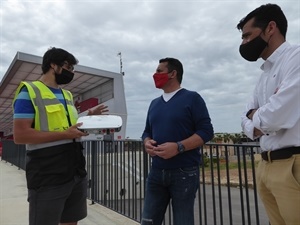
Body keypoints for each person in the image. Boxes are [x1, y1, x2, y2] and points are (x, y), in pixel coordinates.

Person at [12, 47, 108, 225]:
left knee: (71, 221)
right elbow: (20, 135)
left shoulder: (67, 95)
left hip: (75, 171)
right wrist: (65, 134)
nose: (71, 72)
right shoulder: (29, 91)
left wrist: (88, 116)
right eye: (68, 66)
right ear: (53, 65)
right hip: (48, 174)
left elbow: (68, 125)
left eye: (73, 68)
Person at [237, 4, 300, 225]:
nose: (244, 43)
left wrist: (257, 116)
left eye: (247, 36)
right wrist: (257, 118)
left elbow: (274, 117)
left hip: (293, 166)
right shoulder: (264, 74)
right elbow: (245, 121)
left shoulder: (296, 58)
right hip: (265, 166)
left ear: (270, 28)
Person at [141, 57, 214, 225]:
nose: (155, 74)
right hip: (156, 172)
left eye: (159, 71)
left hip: (184, 173)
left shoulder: (192, 98)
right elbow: (146, 131)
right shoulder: (154, 104)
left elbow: (206, 131)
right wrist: (146, 142)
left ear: (173, 73)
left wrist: (179, 147)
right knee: (148, 221)